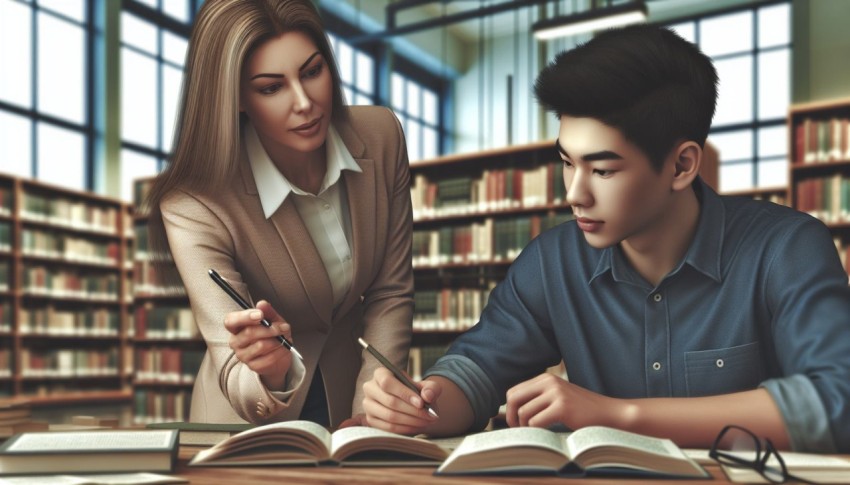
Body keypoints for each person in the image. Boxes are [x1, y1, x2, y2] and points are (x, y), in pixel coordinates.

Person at [361, 24, 850, 453]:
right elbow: (477, 370)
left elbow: (837, 401)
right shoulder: (550, 262)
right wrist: (424, 403)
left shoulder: (786, 247)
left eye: (602, 169)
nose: (575, 193)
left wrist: (617, 415)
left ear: (682, 165)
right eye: (568, 163)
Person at [144, 0, 413, 428]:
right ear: (234, 99)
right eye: (271, 87)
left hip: (351, 399)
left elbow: (390, 293)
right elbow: (231, 362)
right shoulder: (193, 203)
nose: (305, 103)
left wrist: (370, 410)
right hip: (245, 418)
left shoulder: (381, 136)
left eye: (312, 71)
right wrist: (270, 369)